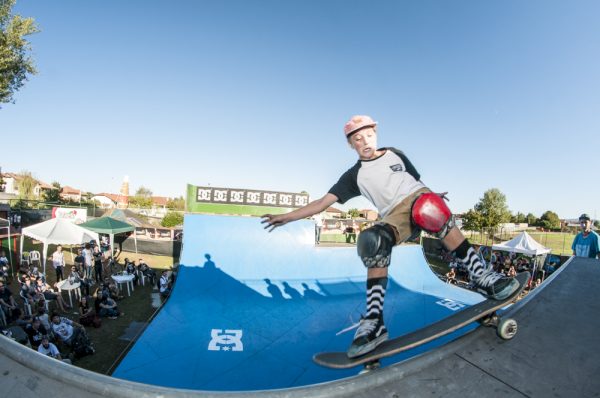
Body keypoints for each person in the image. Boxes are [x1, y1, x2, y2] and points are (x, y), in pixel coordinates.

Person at [262, 115, 519, 358]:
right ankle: (375, 321)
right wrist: (286, 217)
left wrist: (434, 194)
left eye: (367, 136)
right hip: (394, 215)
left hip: (420, 198)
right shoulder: (353, 176)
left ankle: (481, 275)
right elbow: (321, 202)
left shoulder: (396, 153)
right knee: (373, 242)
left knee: (430, 209)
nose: (364, 142)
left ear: (375, 134)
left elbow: (414, 180)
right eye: (357, 140)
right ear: (351, 145)